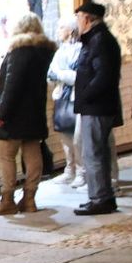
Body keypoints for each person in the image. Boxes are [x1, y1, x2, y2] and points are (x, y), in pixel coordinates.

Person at [0, 14, 58, 214]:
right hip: (35, 111)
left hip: (16, 113)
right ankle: (29, 199)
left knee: (6, 155)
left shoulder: (20, 51)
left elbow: (13, 85)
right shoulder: (43, 51)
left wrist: (2, 113)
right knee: (32, 152)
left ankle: (7, 199)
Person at [72, 1, 123, 216]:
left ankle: (100, 198)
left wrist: (85, 95)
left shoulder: (100, 41)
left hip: (96, 107)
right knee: (96, 153)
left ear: (87, 19)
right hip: (96, 105)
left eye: (79, 17)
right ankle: (102, 196)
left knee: (93, 153)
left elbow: (103, 76)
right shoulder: (97, 39)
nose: (77, 22)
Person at [47, 19, 83, 185]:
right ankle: (70, 169)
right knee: (65, 137)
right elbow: (51, 72)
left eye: (62, 27)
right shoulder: (61, 50)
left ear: (71, 30)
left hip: (76, 98)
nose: (58, 30)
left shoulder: (80, 49)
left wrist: (61, 74)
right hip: (62, 96)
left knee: (78, 138)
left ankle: (82, 171)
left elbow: (78, 77)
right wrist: (58, 75)